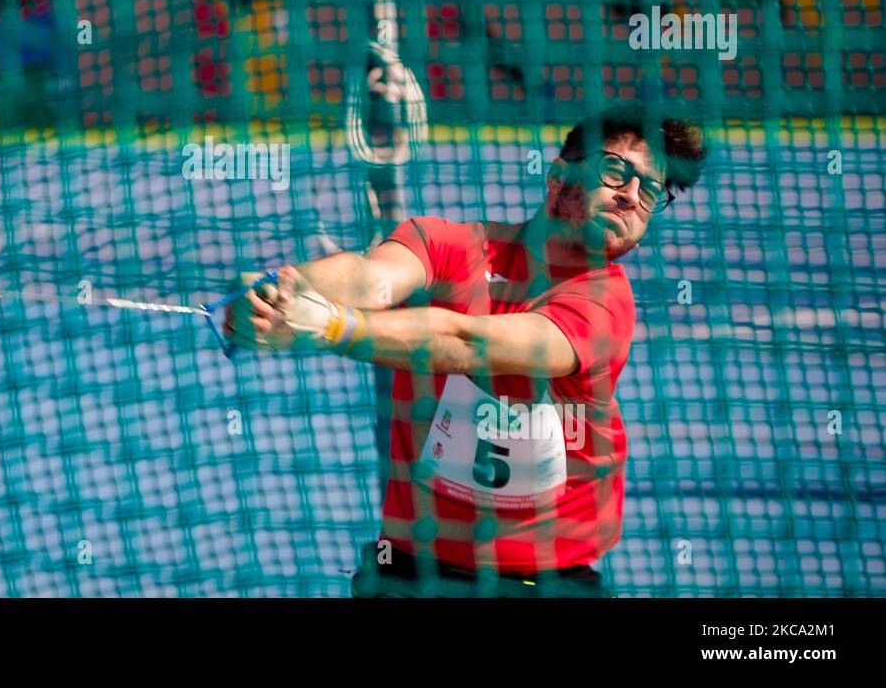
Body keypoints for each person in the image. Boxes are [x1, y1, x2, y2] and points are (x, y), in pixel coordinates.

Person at [224, 103, 706, 597]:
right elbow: (370, 277)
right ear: (559, 175)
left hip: (545, 584)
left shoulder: (605, 304)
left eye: (649, 191)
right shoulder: (452, 245)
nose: (630, 196)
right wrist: (282, 290)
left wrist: (332, 325)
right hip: (411, 575)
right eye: (615, 171)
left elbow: (467, 346)